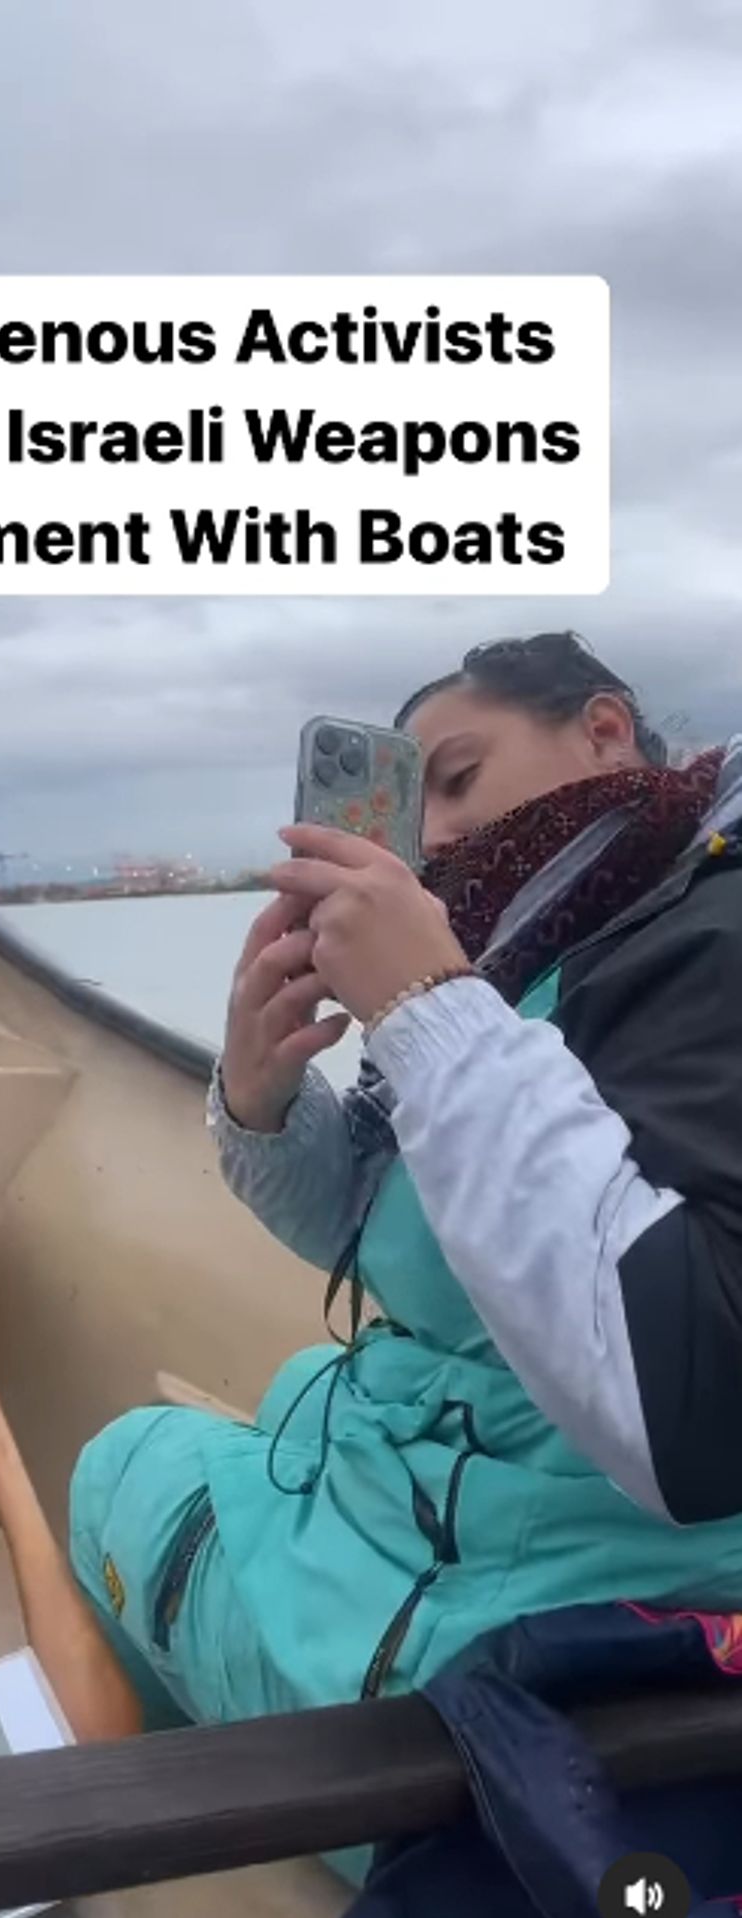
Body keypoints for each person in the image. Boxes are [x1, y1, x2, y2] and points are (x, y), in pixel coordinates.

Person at [68, 631, 742, 1815]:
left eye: (457, 775)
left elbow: (689, 1399)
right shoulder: (548, 942)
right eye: (404, 794)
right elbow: (413, 1245)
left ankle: (222, 1828)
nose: (428, 834)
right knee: (284, 1392)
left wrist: (425, 1008)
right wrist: (260, 1095)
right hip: (491, 1504)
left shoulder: (702, 941)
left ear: (601, 729)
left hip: (558, 1660)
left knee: (123, 1461)